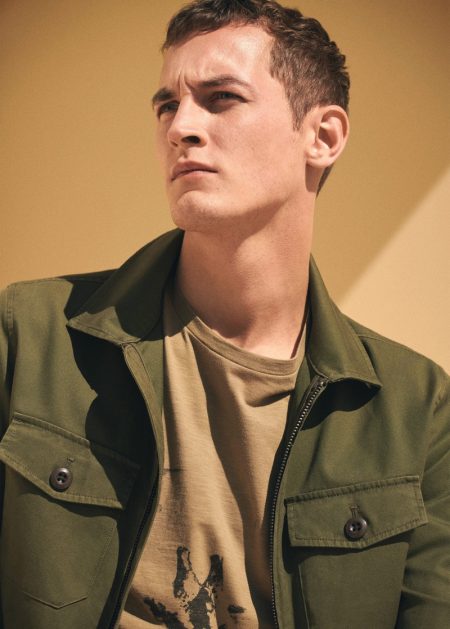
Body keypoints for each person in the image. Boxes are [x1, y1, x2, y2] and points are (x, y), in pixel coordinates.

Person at [0, 0, 448, 627]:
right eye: (167, 105)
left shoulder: (416, 408)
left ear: (322, 137)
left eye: (221, 98)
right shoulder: (30, 336)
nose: (180, 126)